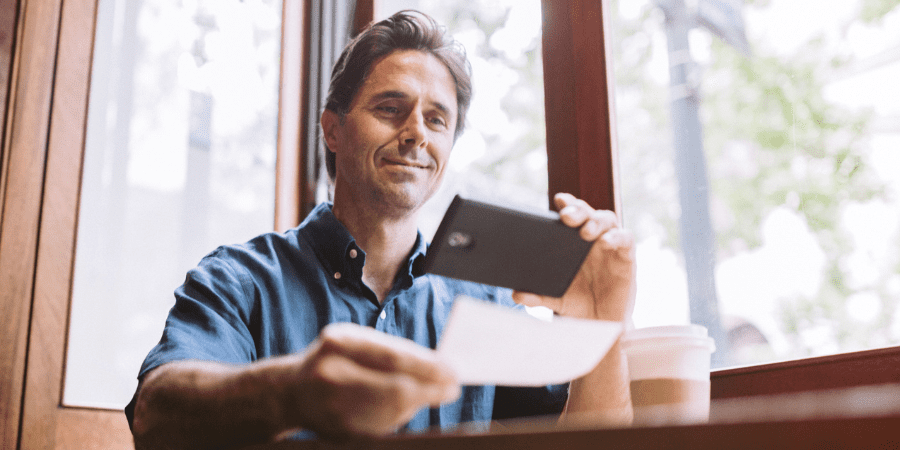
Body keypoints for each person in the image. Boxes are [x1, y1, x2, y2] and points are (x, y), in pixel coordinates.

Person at [126, 10, 636, 450]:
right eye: (390, 109)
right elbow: (155, 417)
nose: (416, 132)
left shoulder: (486, 305)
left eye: (437, 120)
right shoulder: (238, 280)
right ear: (332, 128)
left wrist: (603, 327)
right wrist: (293, 393)